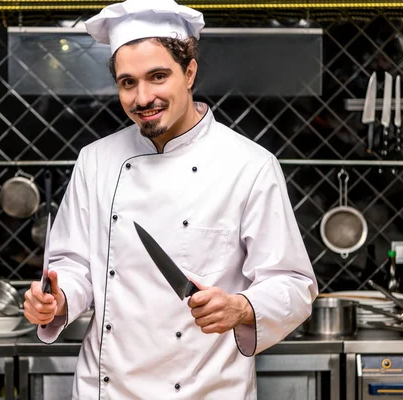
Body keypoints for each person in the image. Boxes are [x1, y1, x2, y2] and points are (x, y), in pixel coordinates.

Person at [23, 0, 318, 398]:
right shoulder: (95, 161)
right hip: (108, 390)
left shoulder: (249, 166)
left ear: (190, 71)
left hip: (206, 390)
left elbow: (293, 284)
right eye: (128, 82)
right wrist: (56, 300)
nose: (143, 97)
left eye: (157, 76)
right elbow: (75, 268)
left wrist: (241, 307)